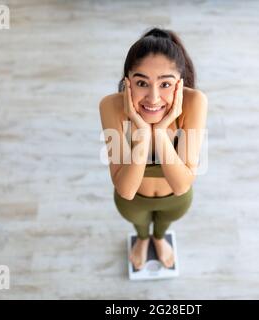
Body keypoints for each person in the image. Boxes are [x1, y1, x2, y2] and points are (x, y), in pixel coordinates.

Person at [99, 27, 208, 270]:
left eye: (166, 84)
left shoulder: (194, 102)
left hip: (175, 201)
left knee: (162, 227)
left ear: (180, 85)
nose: (153, 98)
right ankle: (142, 238)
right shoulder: (110, 106)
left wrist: (159, 132)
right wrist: (142, 130)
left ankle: (158, 238)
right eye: (141, 83)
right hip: (133, 202)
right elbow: (126, 189)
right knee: (140, 226)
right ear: (127, 83)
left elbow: (181, 184)